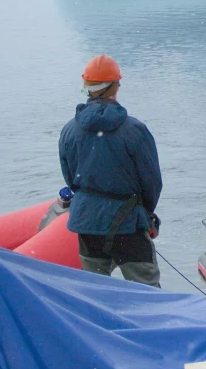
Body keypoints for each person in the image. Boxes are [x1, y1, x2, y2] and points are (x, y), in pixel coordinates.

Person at [59, 54, 163, 287]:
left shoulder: (69, 130)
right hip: (128, 224)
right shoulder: (135, 130)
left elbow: (70, 178)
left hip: (87, 223)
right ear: (115, 86)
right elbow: (152, 182)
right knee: (148, 292)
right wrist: (145, 213)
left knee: (97, 292)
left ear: (87, 88)